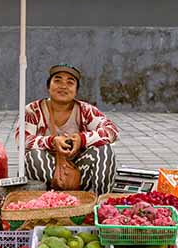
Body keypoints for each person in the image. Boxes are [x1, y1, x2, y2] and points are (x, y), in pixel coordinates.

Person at [16, 64, 119, 195]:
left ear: (76, 90)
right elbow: (22, 140)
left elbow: (112, 131)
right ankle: (46, 204)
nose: (63, 86)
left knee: (105, 149)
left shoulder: (85, 110)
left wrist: (82, 139)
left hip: (79, 173)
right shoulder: (33, 110)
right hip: (47, 172)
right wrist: (52, 141)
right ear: (49, 87)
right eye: (57, 80)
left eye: (70, 82)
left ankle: (99, 203)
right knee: (34, 155)